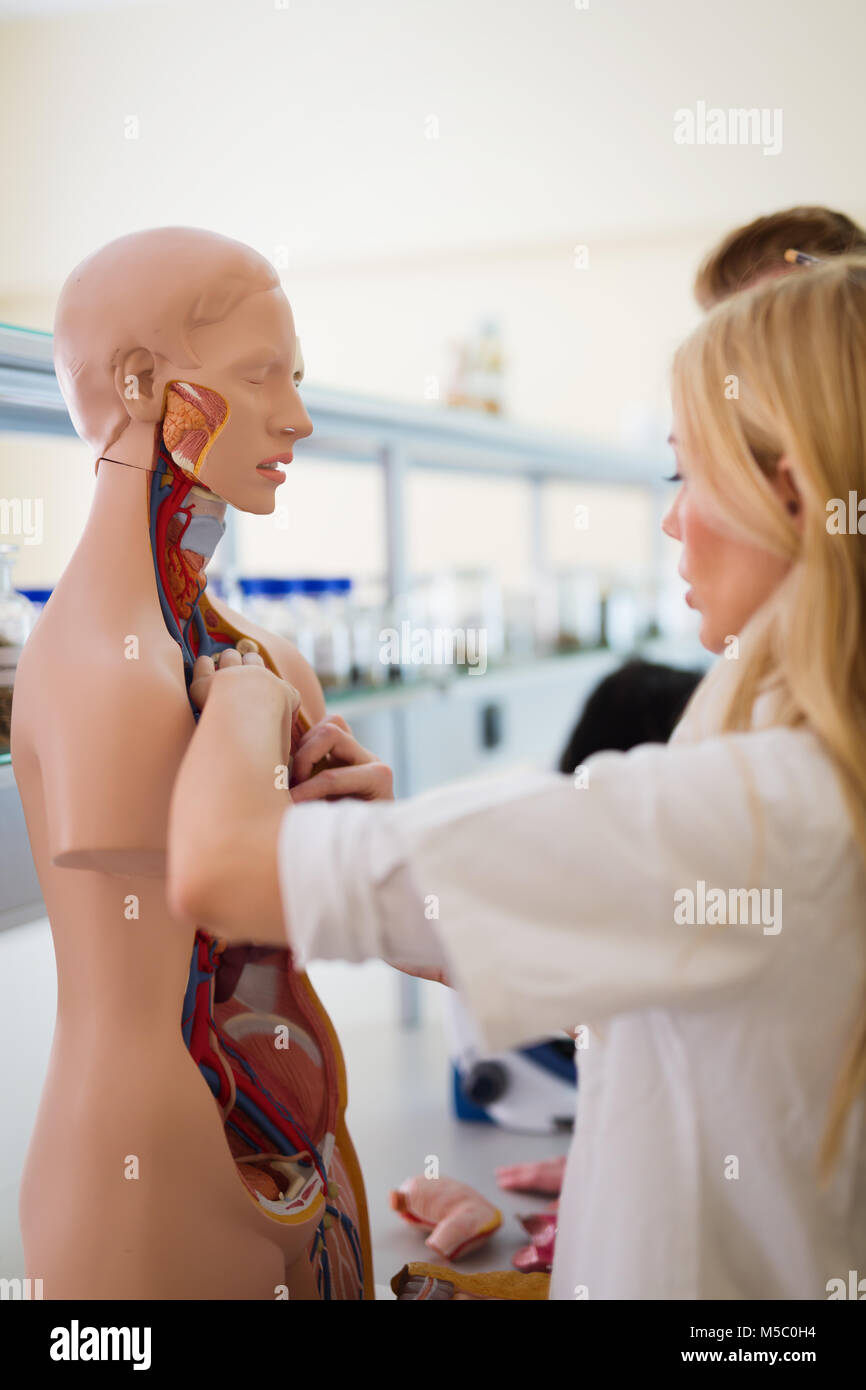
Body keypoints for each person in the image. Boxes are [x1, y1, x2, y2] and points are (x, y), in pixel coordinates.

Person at [168, 256, 866, 1299]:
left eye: (685, 473)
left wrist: (242, 688)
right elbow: (679, 983)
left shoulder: (761, 807)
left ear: (787, 493)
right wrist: (431, 863)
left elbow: (221, 866)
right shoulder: (789, 780)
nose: (670, 520)